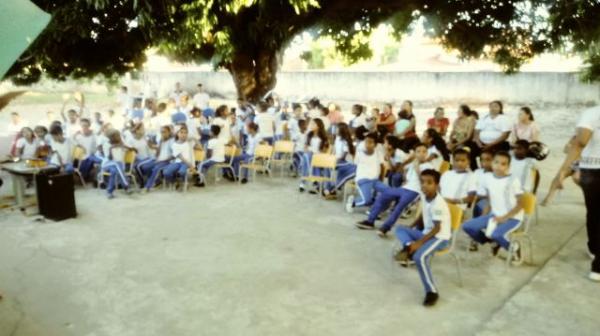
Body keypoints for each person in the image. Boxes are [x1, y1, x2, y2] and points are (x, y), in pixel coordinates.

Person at [554, 105, 600, 281]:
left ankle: (594, 249)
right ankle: (597, 265)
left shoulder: (591, 113)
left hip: (591, 170)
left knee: (594, 211)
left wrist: (564, 171)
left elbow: (580, 143)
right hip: (591, 171)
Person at [393, 169, 451, 307]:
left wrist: (419, 243)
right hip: (427, 234)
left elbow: (437, 228)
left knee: (420, 257)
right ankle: (408, 247)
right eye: (422, 182)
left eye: (429, 183)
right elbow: (423, 215)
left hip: (439, 238)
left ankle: (432, 291)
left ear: (437, 185)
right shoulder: (425, 196)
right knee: (400, 229)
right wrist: (411, 227)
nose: (424, 185)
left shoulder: (439, 203)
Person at [355, 143, 433, 236]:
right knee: (383, 195)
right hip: (404, 188)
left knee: (399, 207)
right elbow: (405, 173)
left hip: (415, 191)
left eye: (424, 151)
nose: (421, 154)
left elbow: (426, 184)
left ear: (427, 153)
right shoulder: (413, 163)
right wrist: (407, 173)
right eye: (418, 151)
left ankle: (385, 228)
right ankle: (370, 221)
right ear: (415, 153)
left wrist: (417, 169)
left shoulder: (429, 166)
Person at [462, 151, 524, 259]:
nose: (498, 166)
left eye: (503, 164)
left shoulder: (513, 180)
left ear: (508, 166)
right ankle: (492, 242)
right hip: (494, 215)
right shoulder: (488, 178)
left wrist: (504, 218)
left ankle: (514, 247)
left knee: (496, 234)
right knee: (468, 226)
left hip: (513, 218)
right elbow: (491, 198)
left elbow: (520, 204)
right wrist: (484, 214)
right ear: (492, 163)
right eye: (496, 162)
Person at [345, 132, 384, 212]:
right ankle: (352, 203)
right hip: (363, 180)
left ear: (375, 145)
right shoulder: (360, 153)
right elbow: (356, 165)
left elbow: (382, 167)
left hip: (375, 180)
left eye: (370, 142)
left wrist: (381, 179)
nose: (367, 144)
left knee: (389, 192)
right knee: (367, 201)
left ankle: (374, 209)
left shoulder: (378, 153)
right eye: (366, 141)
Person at [541, 136, 581, 206]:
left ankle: (592, 195)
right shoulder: (576, 136)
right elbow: (565, 150)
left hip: (583, 164)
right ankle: (548, 198)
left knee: (578, 179)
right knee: (557, 178)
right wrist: (569, 147)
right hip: (571, 163)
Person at [323, 123, 356, 198]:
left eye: (337, 128)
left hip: (345, 162)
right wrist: (330, 157)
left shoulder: (345, 141)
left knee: (329, 165)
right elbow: (334, 151)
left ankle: (329, 188)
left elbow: (343, 156)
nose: (335, 129)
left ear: (341, 130)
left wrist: (333, 159)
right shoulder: (337, 138)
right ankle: (329, 188)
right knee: (327, 165)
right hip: (337, 160)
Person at [299, 119, 330, 193]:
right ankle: (314, 180)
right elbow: (305, 147)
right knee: (306, 156)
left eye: (313, 124)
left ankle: (304, 181)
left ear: (319, 126)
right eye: (311, 124)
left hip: (319, 157)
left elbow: (325, 151)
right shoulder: (309, 134)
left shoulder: (324, 136)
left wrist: (315, 154)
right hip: (310, 156)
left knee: (306, 157)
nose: (311, 125)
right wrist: (309, 152)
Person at [142, 126, 174, 192]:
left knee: (156, 168)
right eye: (162, 132)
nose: (163, 134)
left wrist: (162, 160)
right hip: (159, 160)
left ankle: (148, 187)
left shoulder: (172, 141)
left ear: (169, 132)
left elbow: (174, 155)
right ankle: (157, 181)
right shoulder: (161, 141)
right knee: (145, 167)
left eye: (165, 132)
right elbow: (157, 153)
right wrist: (152, 146)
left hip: (167, 161)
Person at [103, 130, 132, 198]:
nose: (119, 137)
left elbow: (131, 149)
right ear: (112, 138)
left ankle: (109, 192)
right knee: (117, 163)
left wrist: (123, 145)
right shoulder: (106, 144)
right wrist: (111, 148)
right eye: (117, 136)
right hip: (107, 164)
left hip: (119, 167)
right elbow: (109, 158)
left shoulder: (121, 143)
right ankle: (126, 186)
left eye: (119, 135)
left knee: (114, 170)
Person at [448, 104, 477, 169]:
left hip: (467, 141)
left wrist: (455, 144)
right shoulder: (457, 120)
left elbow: (468, 137)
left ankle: (460, 167)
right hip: (456, 140)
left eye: (459, 111)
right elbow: (452, 133)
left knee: (459, 148)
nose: (457, 112)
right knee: (446, 148)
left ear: (464, 111)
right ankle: (450, 167)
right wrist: (450, 141)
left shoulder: (471, 120)